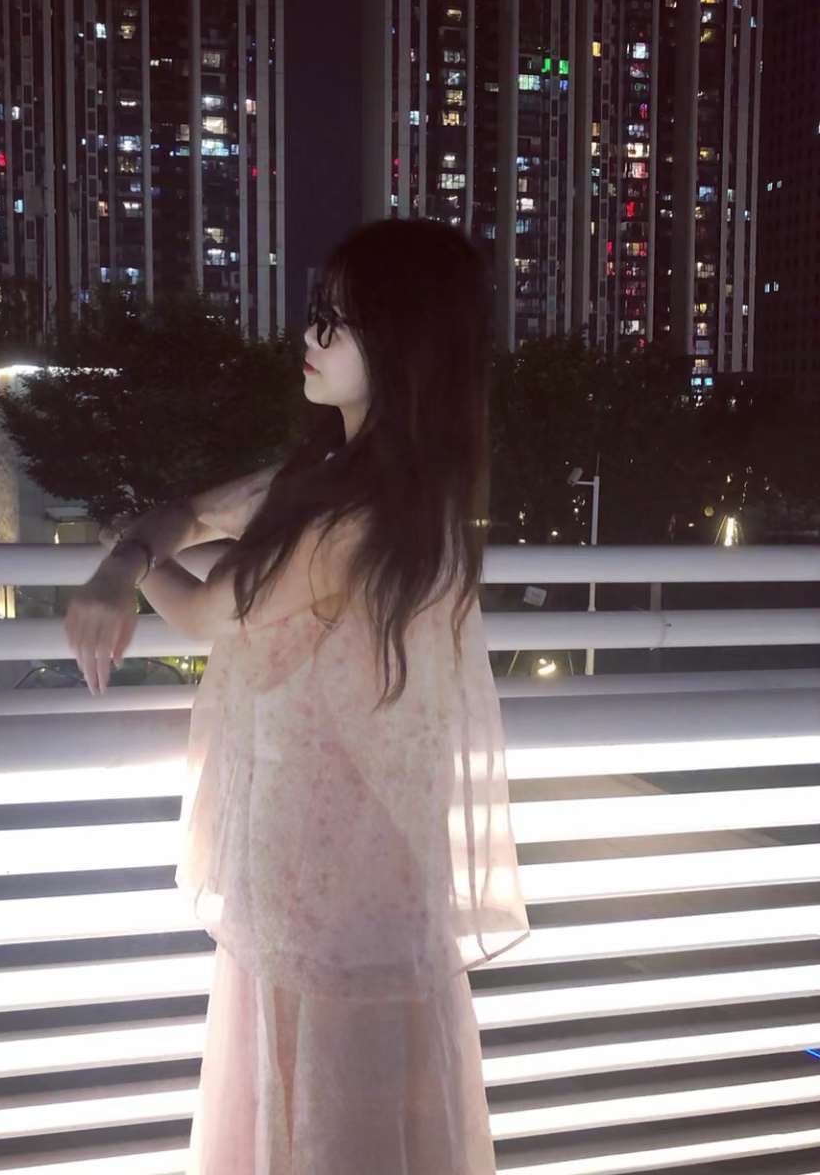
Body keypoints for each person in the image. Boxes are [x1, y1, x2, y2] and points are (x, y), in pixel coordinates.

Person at [64, 217, 530, 1174]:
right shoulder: (345, 477)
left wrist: (122, 554)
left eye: (339, 322)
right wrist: (138, 545)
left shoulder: (357, 515)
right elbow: (195, 513)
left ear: (401, 346)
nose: (310, 337)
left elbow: (202, 611)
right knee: (325, 1116)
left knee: (327, 1124)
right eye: (318, 312)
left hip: (334, 891)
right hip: (331, 872)